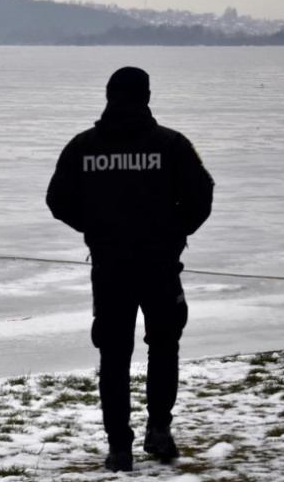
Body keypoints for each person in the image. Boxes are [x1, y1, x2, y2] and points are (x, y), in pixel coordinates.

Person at [46, 67, 214, 473]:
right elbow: (202, 194)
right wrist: (175, 232)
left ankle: (119, 447)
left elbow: (57, 201)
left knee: (114, 356)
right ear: (147, 96)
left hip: (110, 268)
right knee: (164, 346)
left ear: (108, 96)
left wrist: (95, 228)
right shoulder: (171, 145)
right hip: (159, 265)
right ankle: (159, 431)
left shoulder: (83, 147)